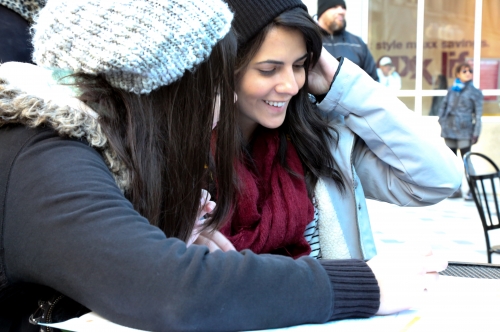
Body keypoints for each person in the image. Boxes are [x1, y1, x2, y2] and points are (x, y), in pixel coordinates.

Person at [0, 0, 449, 331]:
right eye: (213, 84)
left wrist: (333, 75)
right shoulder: (46, 156)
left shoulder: (312, 142)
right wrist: (364, 285)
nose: (226, 101)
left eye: (299, 66)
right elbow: (170, 287)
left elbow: (438, 177)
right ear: (163, 89)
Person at [221, 0, 461, 261]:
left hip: (336, 302)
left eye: (300, 65)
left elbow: (439, 178)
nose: (291, 85)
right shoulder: (183, 158)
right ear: (225, 68)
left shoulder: (320, 141)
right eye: (269, 70)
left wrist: (338, 81)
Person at [438, 63, 483, 200]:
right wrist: (442, 121)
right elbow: (443, 107)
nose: (468, 73)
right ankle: (455, 190)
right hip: (449, 130)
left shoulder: (475, 92)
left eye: (470, 71)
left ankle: (472, 190)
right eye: (464, 71)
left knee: (466, 161)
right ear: (458, 73)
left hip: (464, 131)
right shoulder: (452, 90)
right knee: (452, 162)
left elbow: (478, 115)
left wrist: (476, 132)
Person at [316, 0, 379, 81]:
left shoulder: (357, 44)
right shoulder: (309, 41)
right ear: (322, 11)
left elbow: (373, 82)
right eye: (334, 7)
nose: (341, 11)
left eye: (343, 7)